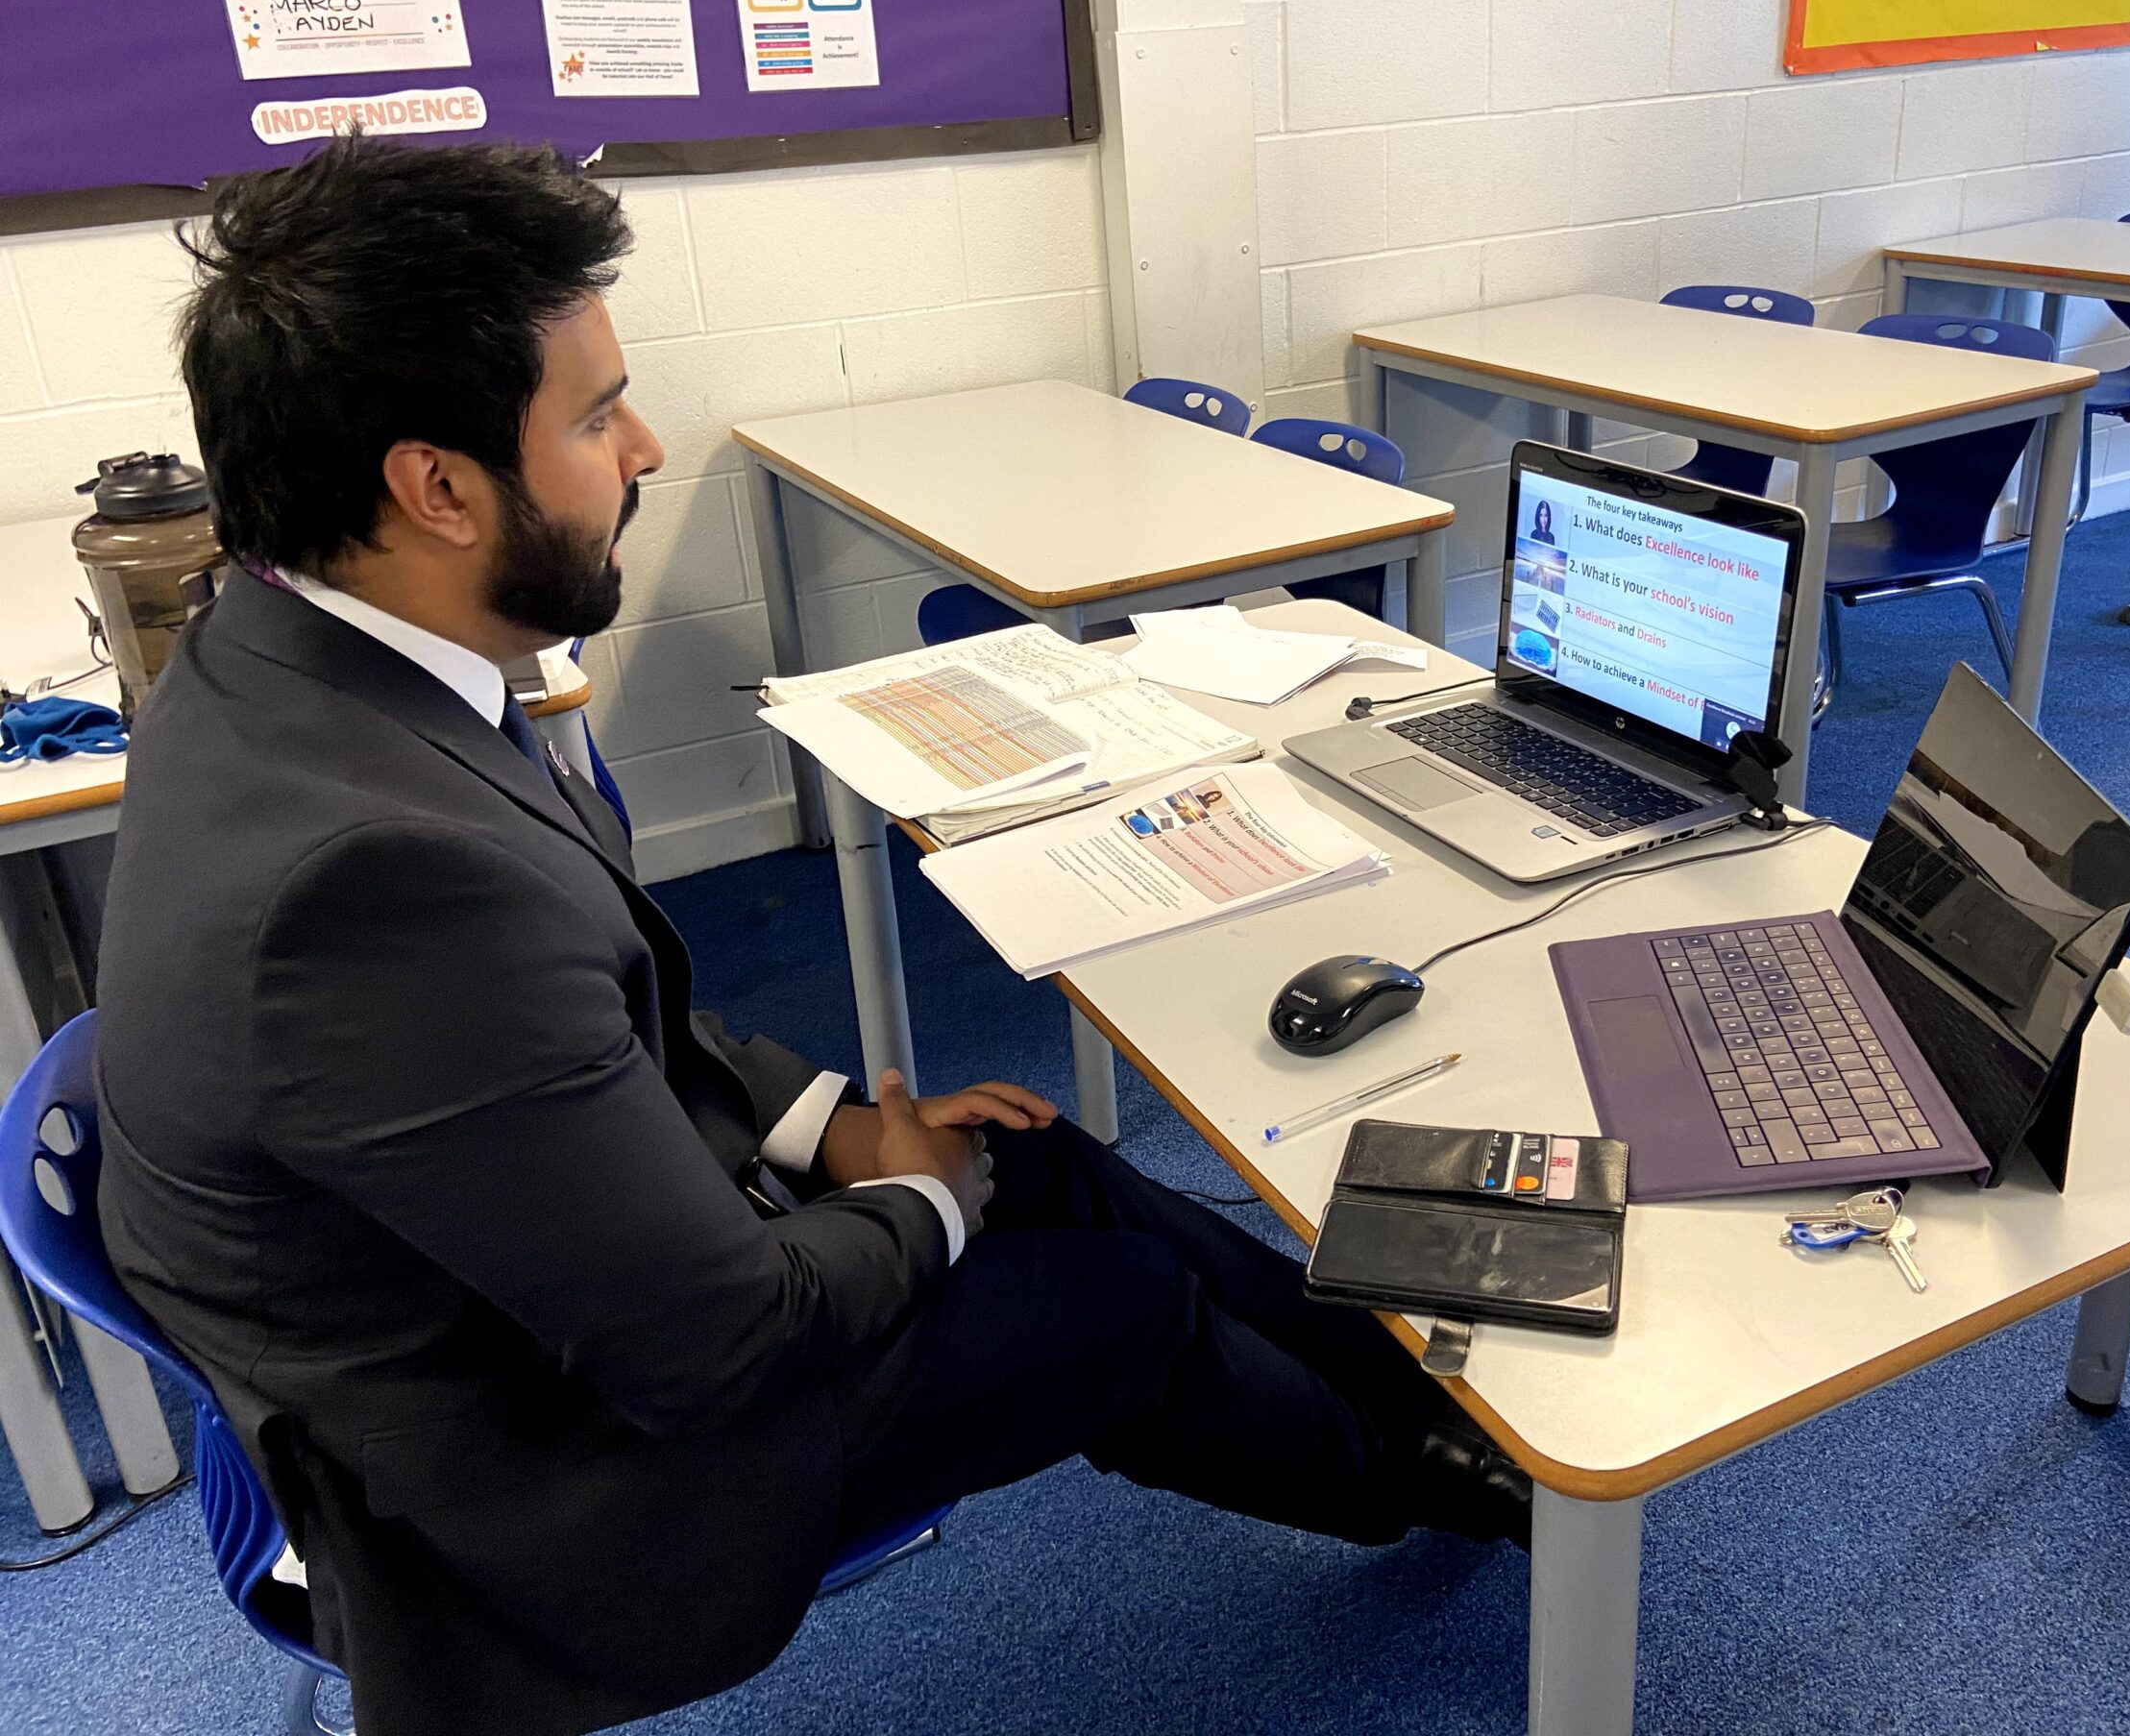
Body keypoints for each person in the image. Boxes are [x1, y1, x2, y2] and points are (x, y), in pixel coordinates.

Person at [93, 137, 1528, 1736]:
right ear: (436, 488)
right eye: (594, 417)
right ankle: (1432, 1482)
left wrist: (837, 1130)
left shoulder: (287, 661)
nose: (644, 448)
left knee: (1038, 1159)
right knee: (1108, 1305)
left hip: (507, 1272)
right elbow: (719, 1345)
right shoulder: (372, 882)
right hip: (551, 1483)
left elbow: (590, 1020)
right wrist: (916, 1200)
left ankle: (1422, 1392)